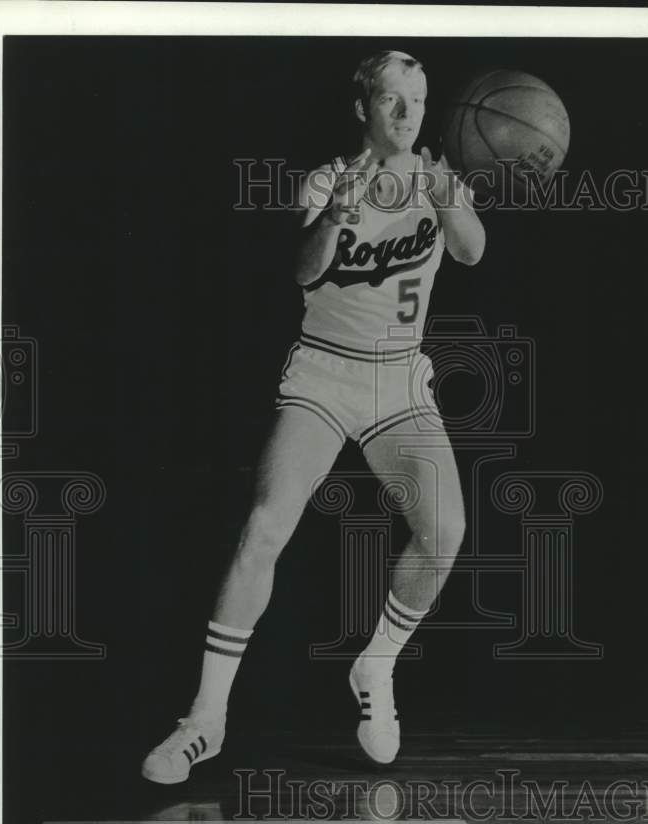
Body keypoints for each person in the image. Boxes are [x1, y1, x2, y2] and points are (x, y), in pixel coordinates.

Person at [142, 50, 486, 783]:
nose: (406, 114)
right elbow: (301, 269)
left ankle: (376, 668)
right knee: (264, 525)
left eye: (417, 102)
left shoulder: (435, 178)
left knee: (446, 532)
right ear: (361, 108)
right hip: (324, 375)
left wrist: (445, 192)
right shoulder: (327, 180)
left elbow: (472, 249)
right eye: (391, 100)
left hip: (398, 380)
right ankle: (206, 720)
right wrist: (335, 215)